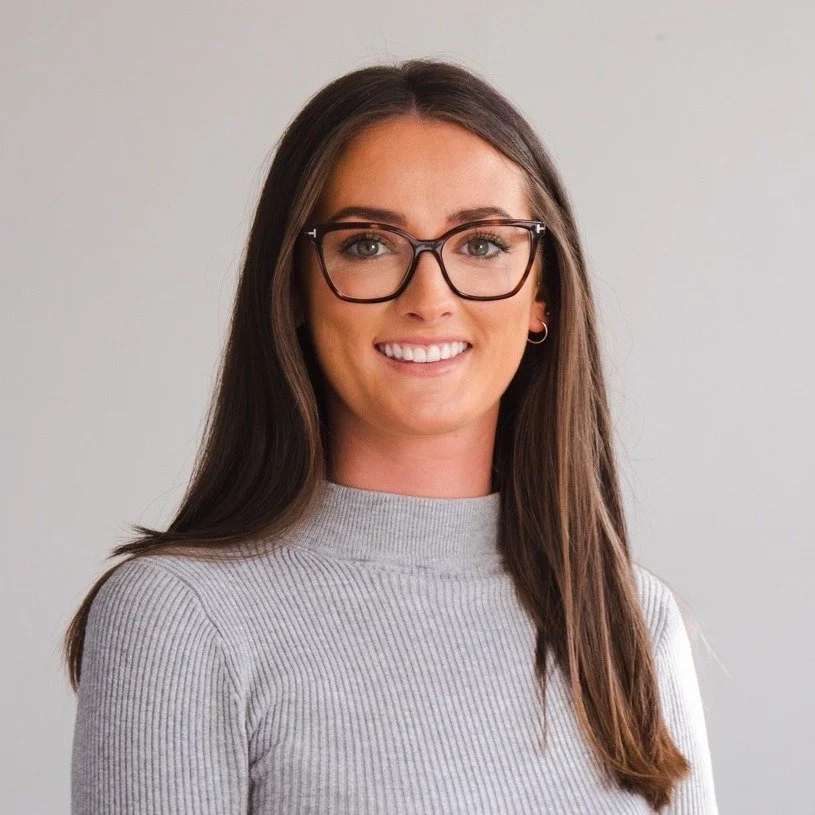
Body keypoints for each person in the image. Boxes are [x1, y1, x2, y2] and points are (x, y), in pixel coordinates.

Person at [65, 58, 719, 814]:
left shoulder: (628, 616)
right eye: (368, 244)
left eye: (480, 244)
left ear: (542, 294)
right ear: (295, 289)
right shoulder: (180, 618)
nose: (428, 297)